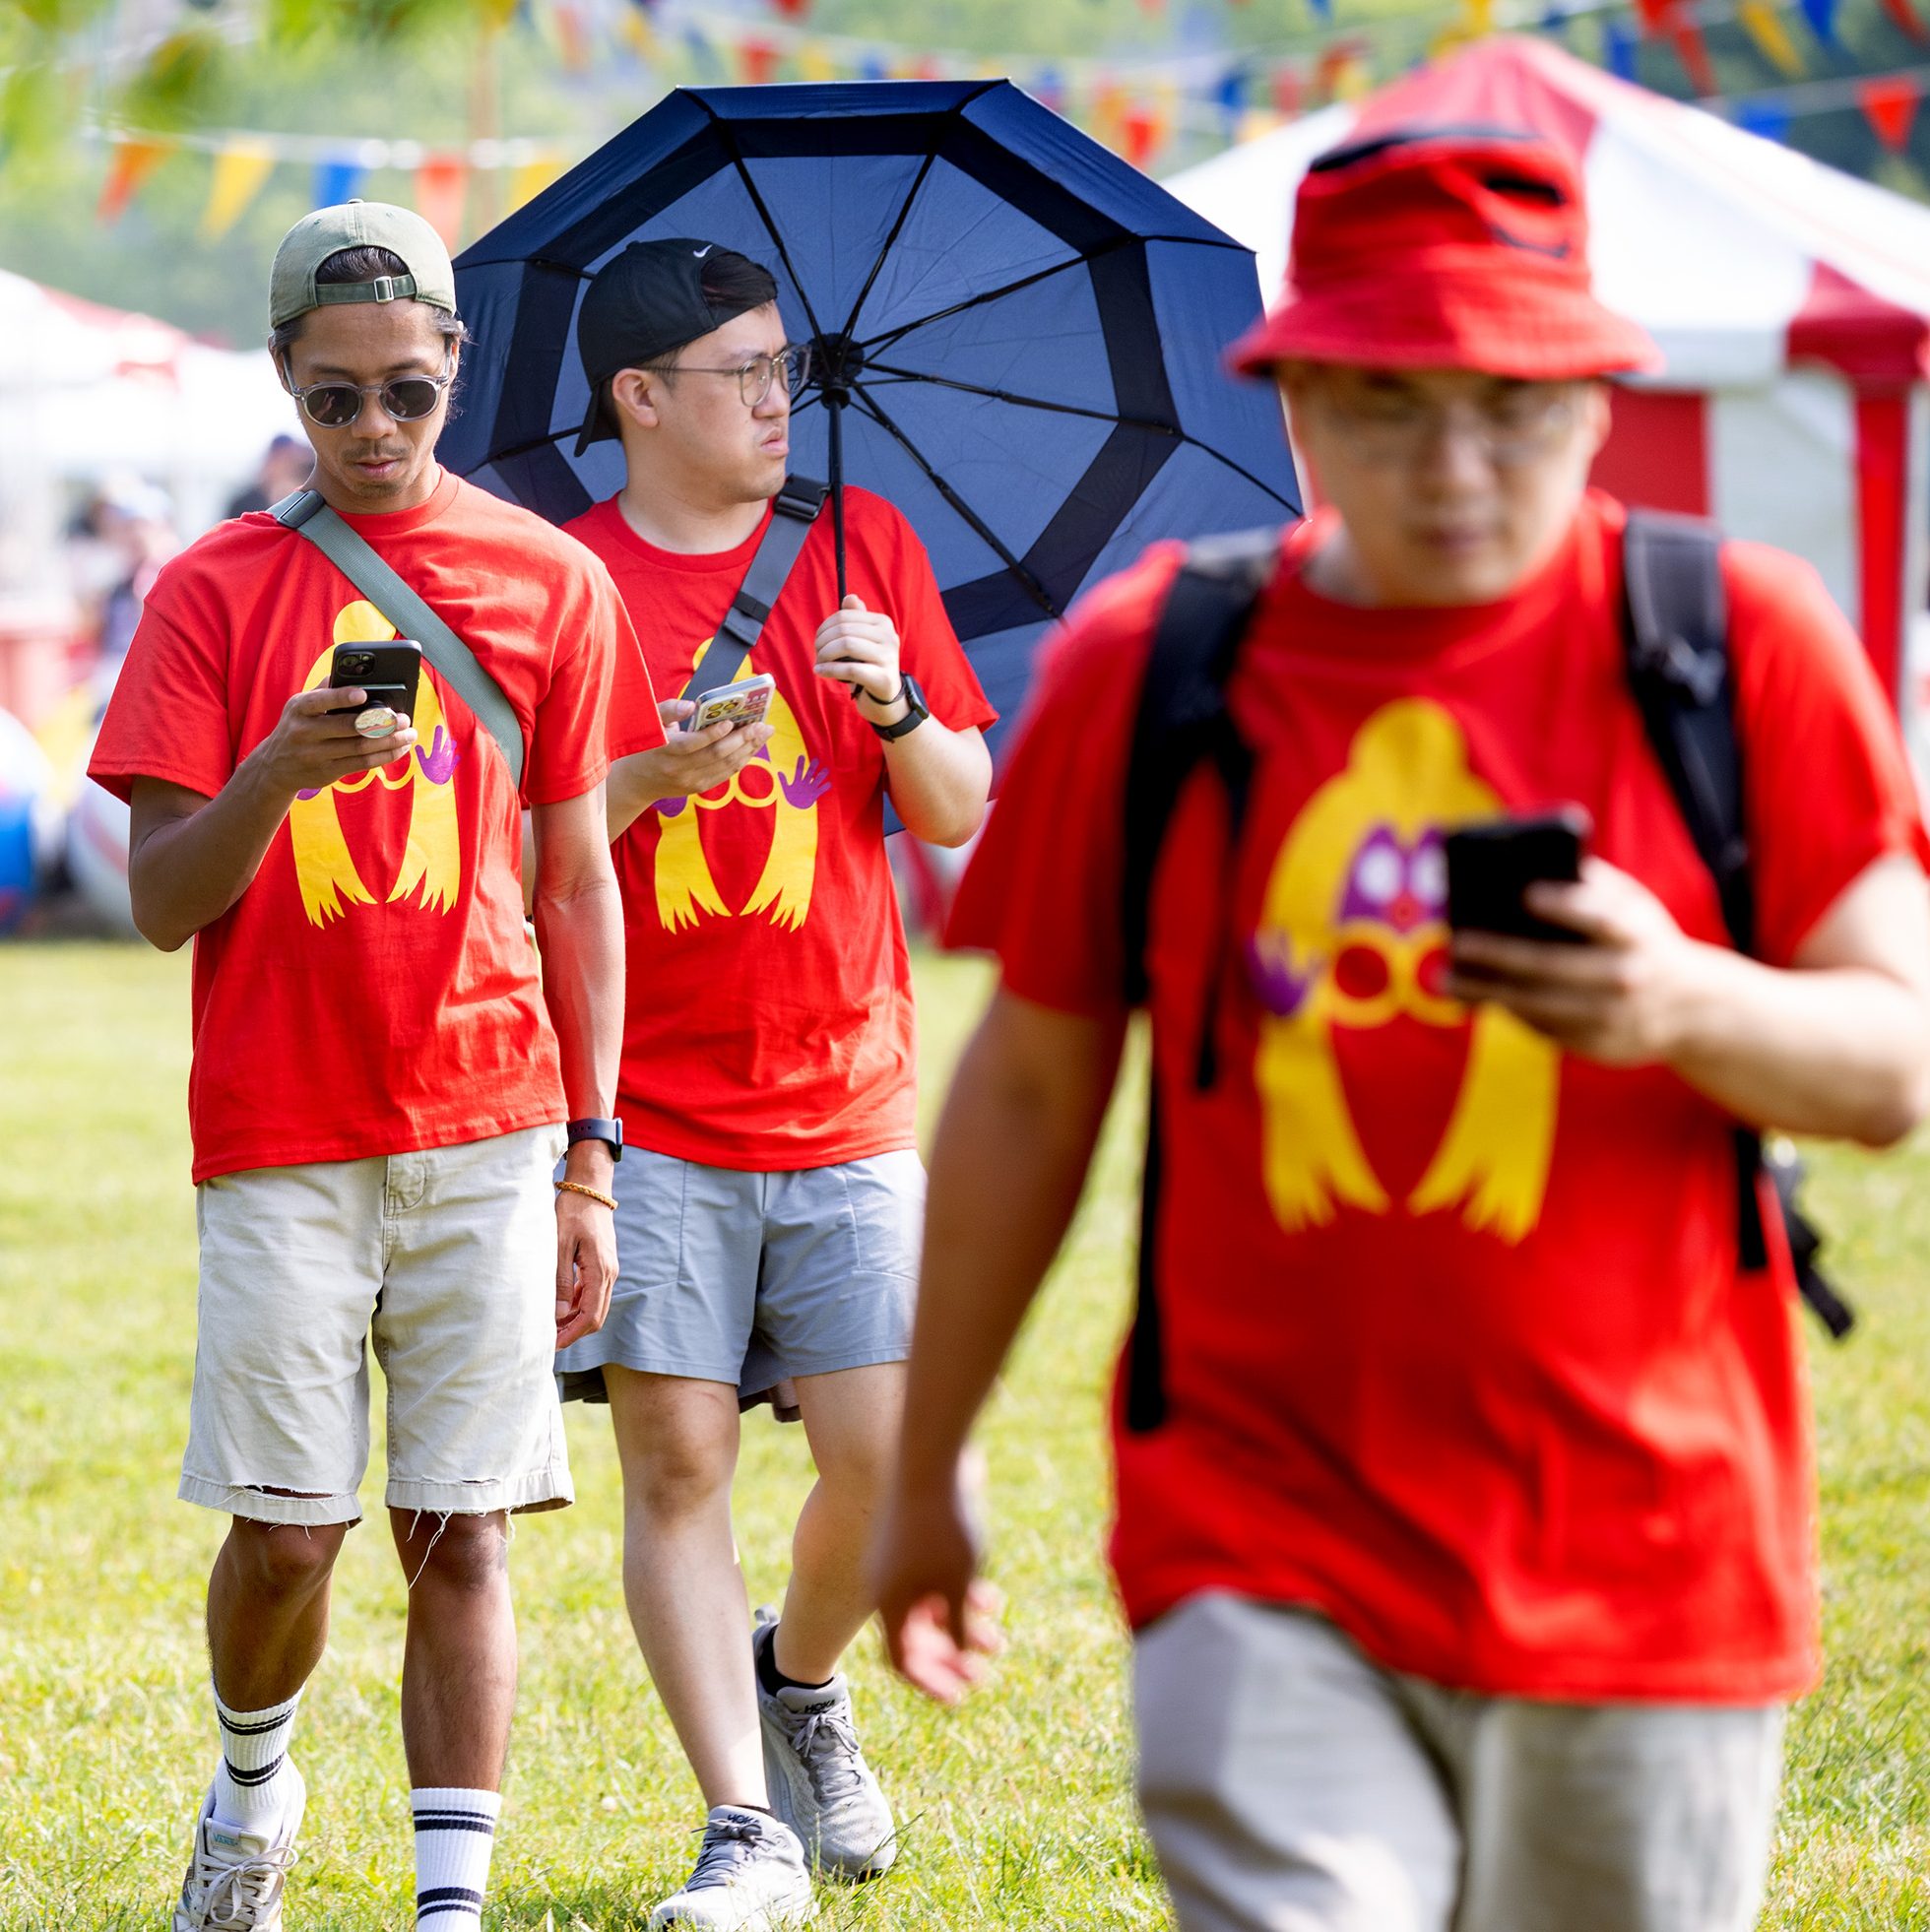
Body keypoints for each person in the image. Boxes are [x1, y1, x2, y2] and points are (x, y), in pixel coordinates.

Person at [869, 127, 1930, 1932]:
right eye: (1384, 403)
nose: (1454, 468)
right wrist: (931, 1461)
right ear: (1296, 410)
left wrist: (1682, 996)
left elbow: (1894, 1064)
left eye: (1510, 407)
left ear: (1598, 401)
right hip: (1259, 1530)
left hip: (1649, 1558)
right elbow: (1031, 1085)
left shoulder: (1733, 641)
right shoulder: (1158, 664)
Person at [88, 201, 656, 1932]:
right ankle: (254, 1781)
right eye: (336, 400)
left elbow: (578, 885)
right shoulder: (210, 592)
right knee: (286, 1535)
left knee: (465, 1525)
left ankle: (447, 1909)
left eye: (407, 393)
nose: (375, 431)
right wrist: (274, 769)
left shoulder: (557, 581)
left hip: (490, 1120)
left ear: (457, 372)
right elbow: (165, 903)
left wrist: (592, 1155)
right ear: (284, 385)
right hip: (280, 1131)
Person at [553, 237, 997, 1929]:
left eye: (782, 369)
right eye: (739, 373)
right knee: (678, 1463)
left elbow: (955, 806)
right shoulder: (568, 577)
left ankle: (797, 1676)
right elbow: (531, 848)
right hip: (644, 1105)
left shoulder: (863, 546)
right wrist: (663, 764)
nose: (773, 400)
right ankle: (744, 1826)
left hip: (849, 1087)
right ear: (640, 398)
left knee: (887, 1465)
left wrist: (890, 703)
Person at [225, 433, 312, 520]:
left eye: (288, 461)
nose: (284, 466)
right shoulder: (244, 501)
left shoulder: (300, 498)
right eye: (281, 460)